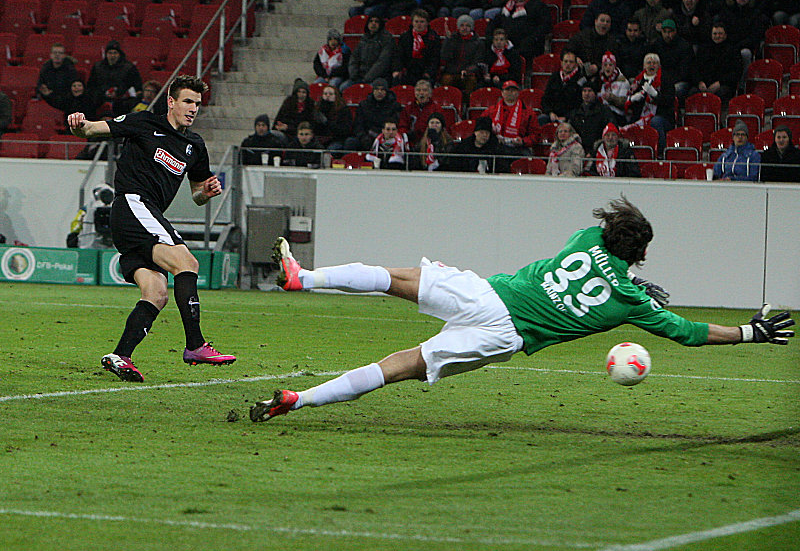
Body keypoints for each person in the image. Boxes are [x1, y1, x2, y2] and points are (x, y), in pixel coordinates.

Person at [250, 197, 793, 422]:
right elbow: (690, 332)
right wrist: (750, 331)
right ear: (641, 254)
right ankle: (298, 400)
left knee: (396, 279)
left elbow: (607, 256)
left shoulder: (586, 239)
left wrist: (633, 276)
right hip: (506, 334)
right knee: (404, 364)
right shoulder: (630, 302)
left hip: (493, 294)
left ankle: (305, 277)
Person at [67, 74, 235, 382]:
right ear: (171, 101)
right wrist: (79, 124)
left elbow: (197, 195)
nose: (193, 108)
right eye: (187, 101)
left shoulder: (194, 145)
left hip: (144, 217)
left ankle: (120, 356)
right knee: (188, 263)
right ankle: (196, 345)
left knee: (156, 292)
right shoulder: (144, 123)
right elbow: (92, 130)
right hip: (132, 206)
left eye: (197, 103)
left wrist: (205, 193)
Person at [487, 0, 551, 61]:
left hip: (527, 43)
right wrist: (490, 37)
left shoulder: (537, 6)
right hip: (505, 42)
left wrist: (532, 39)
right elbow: (494, 23)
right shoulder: (508, 7)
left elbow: (545, 25)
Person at [624, 52, 674, 154]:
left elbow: (669, 102)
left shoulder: (666, 79)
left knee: (655, 122)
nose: (651, 65)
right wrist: (633, 99)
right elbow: (631, 105)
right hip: (640, 116)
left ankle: (661, 153)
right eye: (649, 63)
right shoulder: (638, 81)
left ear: (659, 66)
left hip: (662, 116)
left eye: (654, 63)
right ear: (644, 66)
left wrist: (656, 95)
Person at [86, 40, 143, 118]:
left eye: (115, 53)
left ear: (119, 54)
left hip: (122, 101)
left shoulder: (129, 68)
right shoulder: (97, 67)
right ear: (106, 54)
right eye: (110, 53)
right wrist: (103, 92)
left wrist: (119, 92)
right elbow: (91, 85)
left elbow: (136, 87)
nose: (112, 56)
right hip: (100, 99)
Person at [484, 79, 538, 159]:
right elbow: (481, 128)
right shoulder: (491, 111)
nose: (510, 92)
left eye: (513, 90)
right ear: (502, 93)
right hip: (496, 146)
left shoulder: (528, 113)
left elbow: (535, 135)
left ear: (518, 93)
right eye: (507, 90)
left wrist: (523, 141)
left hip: (519, 148)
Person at [645, 18, 693, 101]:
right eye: (665, 32)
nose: (667, 35)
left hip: (678, 80)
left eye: (670, 31)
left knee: (676, 89)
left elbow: (684, 71)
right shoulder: (656, 45)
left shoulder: (684, 47)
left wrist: (667, 81)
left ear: (675, 31)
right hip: (660, 79)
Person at [693, 23, 742, 103]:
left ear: (725, 35)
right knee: (693, 92)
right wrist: (699, 82)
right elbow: (695, 68)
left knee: (722, 93)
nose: (717, 36)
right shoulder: (703, 49)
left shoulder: (733, 50)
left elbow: (736, 73)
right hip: (704, 84)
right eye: (715, 34)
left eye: (720, 34)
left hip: (723, 85)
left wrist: (719, 83)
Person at [391, 8, 441, 86]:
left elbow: (435, 59)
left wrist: (428, 73)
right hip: (408, 71)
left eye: (422, 22)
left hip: (425, 72)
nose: (419, 24)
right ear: (412, 23)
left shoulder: (433, 38)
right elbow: (398, 55)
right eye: (416, 21)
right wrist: (397, 70)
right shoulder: (405, 37)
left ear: (427, 23)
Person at [439, 115, 505, 173]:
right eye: (481, 132)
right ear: (475, 133)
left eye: (487, 133)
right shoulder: (462, 148)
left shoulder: (495, 149)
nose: (485, 135)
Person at [344, 15, 394, 90]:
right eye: (371, 21)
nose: (373, 23)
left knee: (369, 89)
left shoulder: (386, 39)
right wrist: (354, 75)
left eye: (376, 21)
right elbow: (354, 57)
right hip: (360, 76)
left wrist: (367, 78)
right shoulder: (364, 38)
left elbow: (382, 62)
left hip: (378, 77)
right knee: (343, 88)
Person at [439, 14, 484, 97]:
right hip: (452, 72)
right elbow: (445, 57)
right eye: (462, 25)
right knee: (446, 79)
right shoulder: (452, 39)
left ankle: (467, 102)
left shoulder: (477, 43)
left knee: (471, 80)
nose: (464, 28)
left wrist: (467, 71)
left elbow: (477, 61)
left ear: (471, 28)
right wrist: (448, 41)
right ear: (458, 27)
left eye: (467, 25)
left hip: (468, 72)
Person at [353, 77, 403, 150]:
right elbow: (358, 125)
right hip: (367, 136)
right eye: (377, 89)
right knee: (351, 142)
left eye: (382, 89)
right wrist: (363, 137)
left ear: (386, 91)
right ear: (373, 91)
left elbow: (395, 123)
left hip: (387, 136)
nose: (379, 92)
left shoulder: (394, 106)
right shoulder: (364, 105)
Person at [540, 49, 586, 125]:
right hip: (552, 116)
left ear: (575, 64)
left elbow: (580, 104)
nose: (568, 64)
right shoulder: (554, 77)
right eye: (565, 61)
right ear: (561, 63)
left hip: (571, 117)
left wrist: (567, 117)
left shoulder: (580, 79)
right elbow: (545, 98)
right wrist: (550, 112)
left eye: (571, 62)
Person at [398, 79, 444, 149]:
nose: (421, 93)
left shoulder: (436, 108)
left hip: (430, 143)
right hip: (412, 143)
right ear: (415, 93)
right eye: (418, 90)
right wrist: (406, 135)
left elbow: (442, 127)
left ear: (430, 93)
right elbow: (402, 126)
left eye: (424, 90)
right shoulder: (408, 108)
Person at [567, 12, 616, 78]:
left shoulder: (612, 41)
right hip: (580, 74)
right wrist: (575, 58)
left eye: (607, 22)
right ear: (595, 21)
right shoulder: (582, 36)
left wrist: (598, 66)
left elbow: (616, 60)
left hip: (603, 75)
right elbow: (566, 50)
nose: (605, 23)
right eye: (602, 20)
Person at [313, 84, 358, 153]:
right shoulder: (318, 110)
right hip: (320, 139)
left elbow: (345, 130)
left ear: (336, 96)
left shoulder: (343, 110)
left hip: (337, 139)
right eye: (325, 94)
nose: (327, 96)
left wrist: (327, 123)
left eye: (330, 94)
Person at [569, 83, 614, 149]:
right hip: (578, 148)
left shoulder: (604, 110)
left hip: (599, 148)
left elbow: (610, 129)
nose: (586, 93)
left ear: (595, 93)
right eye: (584, 91)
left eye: (589, 91)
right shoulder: (575, 112)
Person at [36, 42, 79, 112]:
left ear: (64, 55)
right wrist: (43, 90)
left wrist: (51, 94)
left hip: (65, 102)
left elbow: (70, 90)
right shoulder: (45, 68)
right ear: (51, 55)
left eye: (60, 53)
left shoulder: (70, 70)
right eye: (55, 53)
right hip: (47, 99)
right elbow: (40, 84)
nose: (57, 55)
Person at [273, 78, 316, 143]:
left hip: (303, 135)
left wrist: (288, 128)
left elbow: (309, 125)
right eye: (299, 91)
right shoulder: (288, 103)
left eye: (303, 92)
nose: (301, 94)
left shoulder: (310, 105)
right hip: (286, 133)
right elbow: (280, 118)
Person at [597, 51, 630, 123]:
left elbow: (624, 103)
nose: (607, 67)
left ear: (614, 66)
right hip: (603, 113)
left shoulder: (623, 81)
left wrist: (611, 98)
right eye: (605, 65)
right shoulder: (601, 80)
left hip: (618, 115)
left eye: (610, 65)